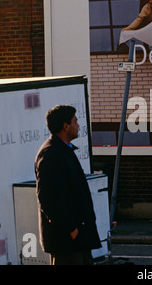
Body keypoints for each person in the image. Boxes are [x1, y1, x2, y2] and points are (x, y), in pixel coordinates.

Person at [35, 105, 101, 265]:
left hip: (78, 239)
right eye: (75, 121)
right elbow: (48, 199)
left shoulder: (63, 150)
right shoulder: (51, 155)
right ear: (66, 126)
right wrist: (71, 229)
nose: (78, 125)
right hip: (67, 242)